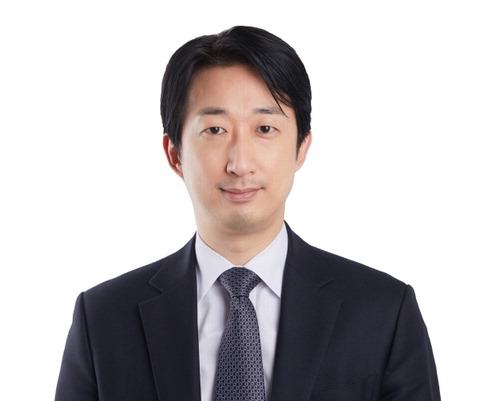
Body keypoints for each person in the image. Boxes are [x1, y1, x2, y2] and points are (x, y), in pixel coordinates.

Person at [55, 26, 440, 401]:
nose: (240, 164)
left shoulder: (383, 312)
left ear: (301, 148)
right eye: (215, 130)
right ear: (174, 154)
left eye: (265, 128)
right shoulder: (103, 319)